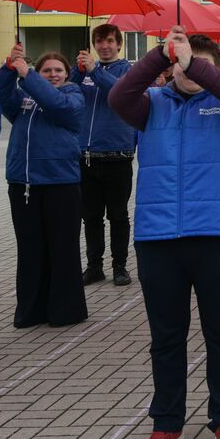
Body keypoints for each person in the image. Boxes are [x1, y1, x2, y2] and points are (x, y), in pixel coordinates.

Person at [109, 28, 220, 439]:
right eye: (182, 63)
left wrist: (197, 65)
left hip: (218, 234)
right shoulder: (151, 104)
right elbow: (119, 97)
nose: (189, 70)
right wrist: (161, 54)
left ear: (216, 68)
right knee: (166, 338)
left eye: (200, 64)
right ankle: (166, 423)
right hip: (159, 236)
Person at [0, 45, 87, 329]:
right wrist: (10, 66)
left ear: (67, 74)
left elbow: (57, 105)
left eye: (58, 70)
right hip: (23, 184)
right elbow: (0, 93)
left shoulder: (73, 96)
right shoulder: (24, 99)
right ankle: (32, 310)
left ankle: (65, 310)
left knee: (62, 249)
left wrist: (29, 75)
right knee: (30, 250)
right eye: (46, 70)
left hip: (61, 183)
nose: (52, 74)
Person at [73, 23, 135, 287]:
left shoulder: (128, 71)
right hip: (86, 156)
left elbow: (119, 92)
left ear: (119, 44)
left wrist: (94, 71)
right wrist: (79, 71)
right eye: (99, 41)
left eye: (110, 41)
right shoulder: (86, 70)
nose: (104, 46)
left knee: (118, 216)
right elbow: (67, 91)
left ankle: (120, 266)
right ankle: (94, 266)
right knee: (91, 217)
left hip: (117, 155)